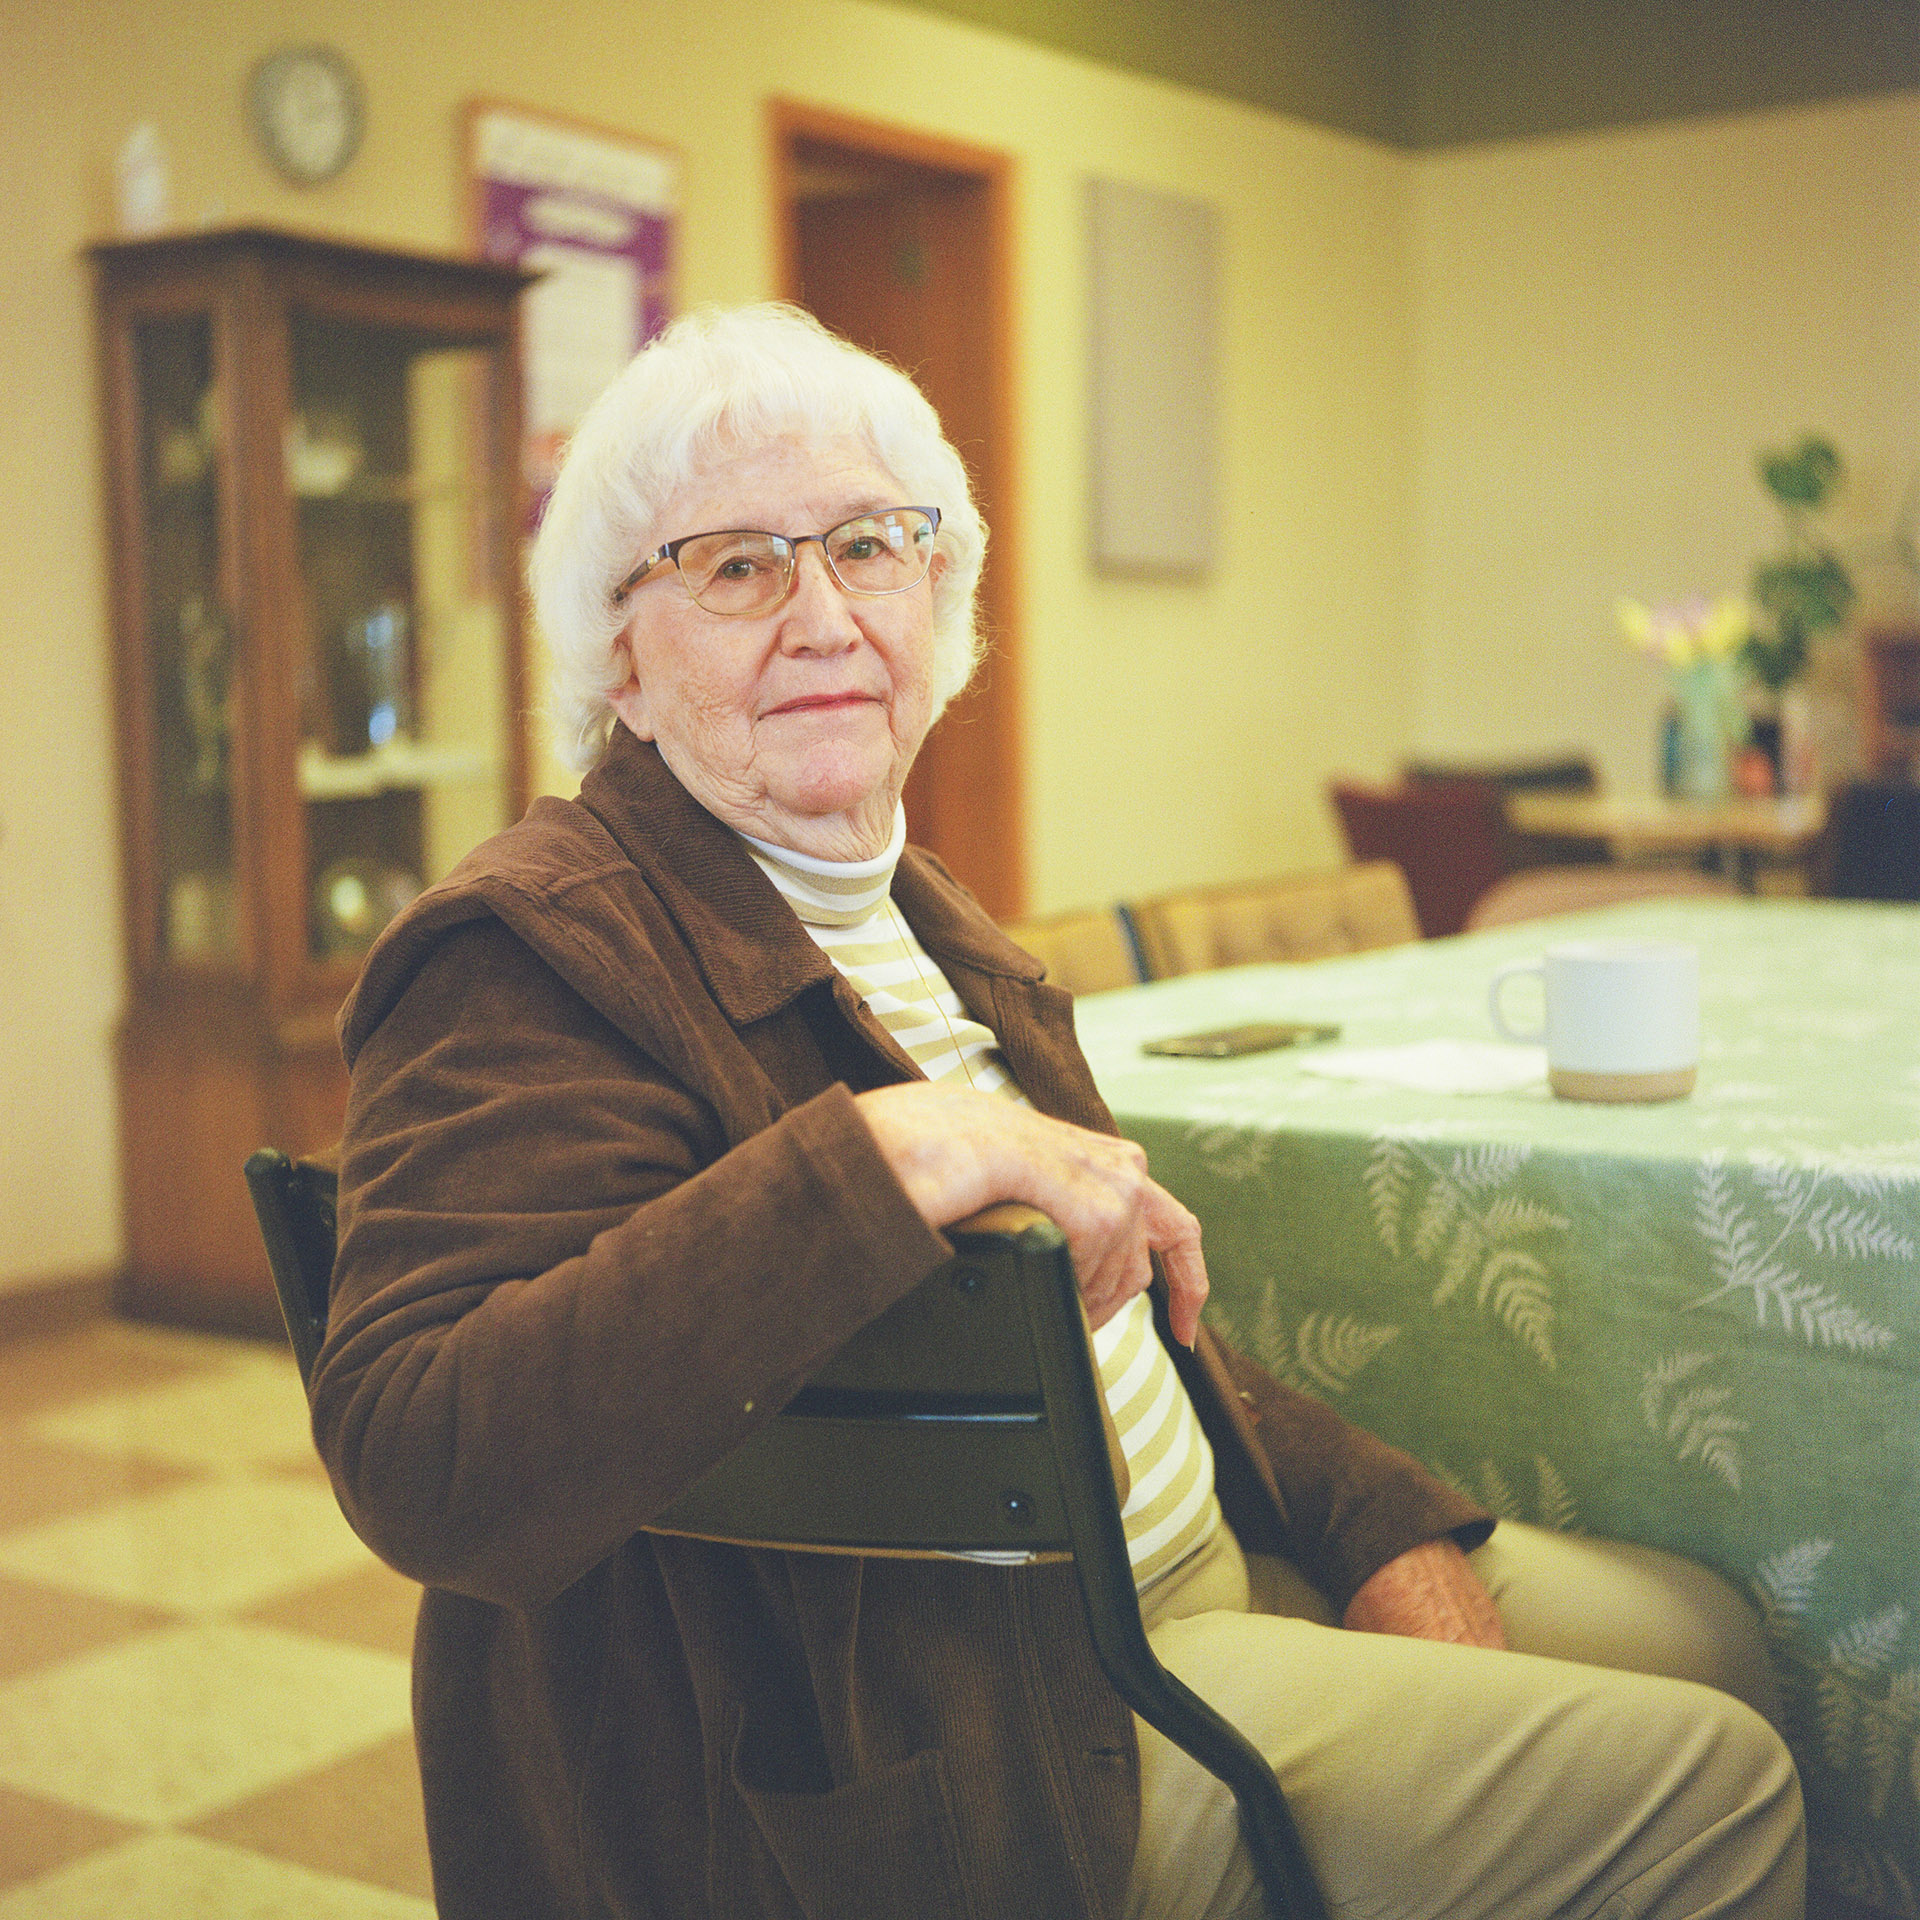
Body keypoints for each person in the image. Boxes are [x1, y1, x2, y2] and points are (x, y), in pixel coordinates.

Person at [313, 303, 1803, 1920]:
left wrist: (1374, 1528)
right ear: (620, 651)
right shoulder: (533, 947)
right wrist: (896, 1147)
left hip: (1170, 1571)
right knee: (1709, 1790)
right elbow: (423, 1449)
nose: (820, 616)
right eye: (735, 566)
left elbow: (1139, 1336)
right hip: (983, 1728)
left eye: (872, 548)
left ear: (936, 604)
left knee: (1720, 1637)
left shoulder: (920, 913)